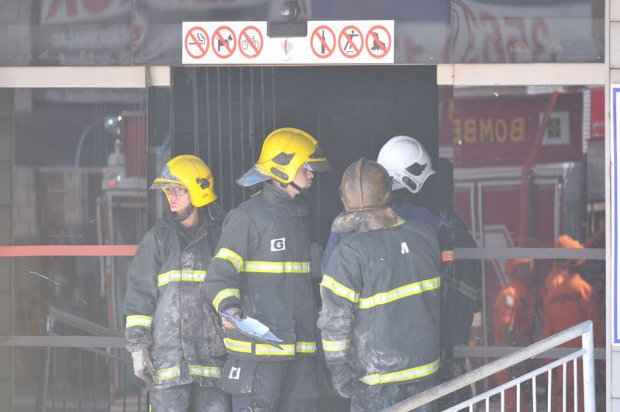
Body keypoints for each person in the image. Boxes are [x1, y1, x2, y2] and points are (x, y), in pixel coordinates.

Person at [205, 127, 330, 412]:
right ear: (283, 169)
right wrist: (230, 309)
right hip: (259, 359)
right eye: (306, 167)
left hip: (299, 355)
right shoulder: (246, 218)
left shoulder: (299, 217)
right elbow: (218, 276)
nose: (312, 174)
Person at [318, 158, 442, 412]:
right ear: (388, 192)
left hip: (375, 382)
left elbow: (334, 321)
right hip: (426, 372)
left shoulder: (348, 253)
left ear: (345, 201)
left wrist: (340, 373)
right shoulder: (425, 238)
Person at [124, 154, 230, 412]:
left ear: (199, 191)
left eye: (179, 190)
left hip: (212, 364)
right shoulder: (157, 240)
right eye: (168, 191)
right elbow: (139, 298)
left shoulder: (222, 237)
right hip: (170, 365)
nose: (171, 197)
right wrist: (138, 348)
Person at [543, 235, 596, 412]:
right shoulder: (582, 288)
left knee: (561, 392)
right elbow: (594, 320)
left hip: (557, 348)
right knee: (580, 392)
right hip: (580, 349)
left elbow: (547, 319)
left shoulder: (549, 284)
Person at [492, 258, 539, 411]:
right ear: (516, 271)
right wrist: (512, 356)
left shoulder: (526, 295)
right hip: (509, 360)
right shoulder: (509, 296)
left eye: (528, 267)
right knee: (514, 403)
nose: (529, 271)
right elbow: (505, 329)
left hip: (521, 357)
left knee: (522, 403)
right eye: (524, 267)